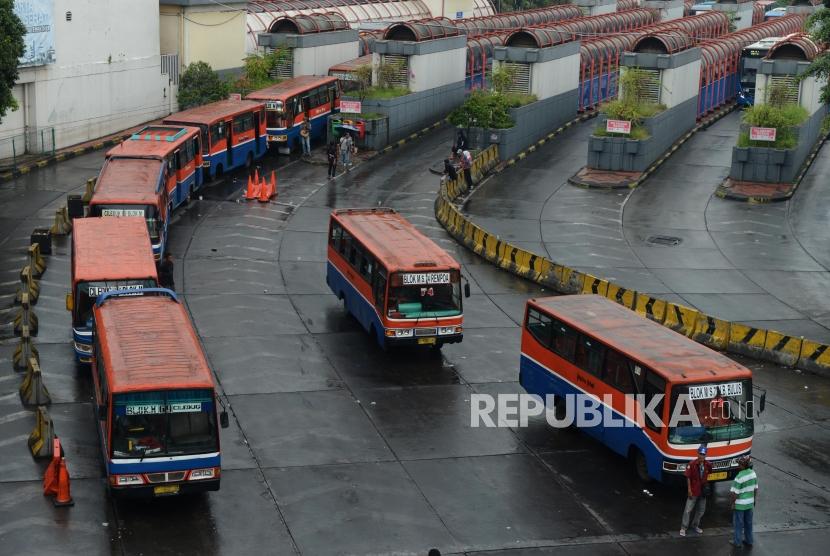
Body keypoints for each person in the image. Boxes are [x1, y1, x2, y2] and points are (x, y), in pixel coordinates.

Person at [679, 444, 712, 537]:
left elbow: (709, 472)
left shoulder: (708, 464)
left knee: (701, 510)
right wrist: (689, 489)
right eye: (700, 454)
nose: (702, 456)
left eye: (703, 454)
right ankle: (683, 527)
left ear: (705, 455)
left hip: (703, 492)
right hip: (693, 490)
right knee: (688, 510)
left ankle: (695, 525)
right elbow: (688, 477)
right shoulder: (692, 464)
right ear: (697, 454)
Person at [730, 456, 758, 548]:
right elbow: (755, 489)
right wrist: (754, 500)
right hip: (750, 503)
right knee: (748, 523)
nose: (738, 465)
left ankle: (737, 542)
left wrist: (733, 503)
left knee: (738, 524)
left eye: (739, 464)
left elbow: (735, 493)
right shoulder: (753, 473)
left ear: (742, 466)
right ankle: (749, 540)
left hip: (740, 505)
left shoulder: (739, 477)